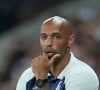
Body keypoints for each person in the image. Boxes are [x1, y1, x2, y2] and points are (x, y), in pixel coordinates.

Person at [16, 16, 99, 90]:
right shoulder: (27, 77)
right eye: (44, 37)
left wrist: (41, 79)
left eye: (56, 37)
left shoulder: (83, 75)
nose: (48, 43)